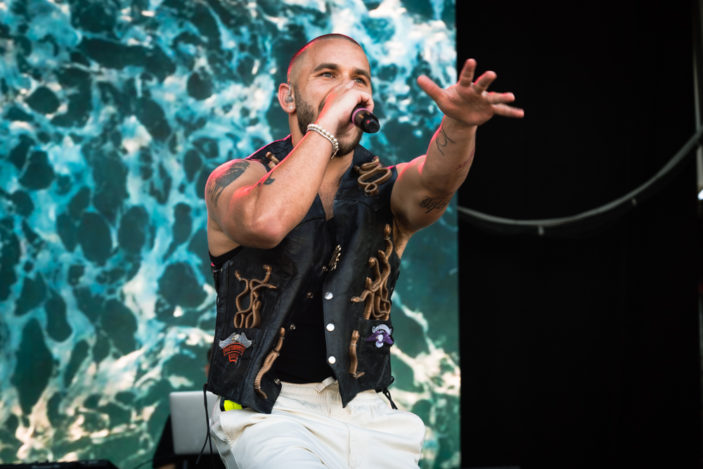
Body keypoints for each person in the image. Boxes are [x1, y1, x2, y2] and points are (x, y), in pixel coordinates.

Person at [203, 33, 523, 468]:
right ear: (288, 97)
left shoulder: (386, 187)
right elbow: (266, 222)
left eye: (359, 79)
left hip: (370, 413)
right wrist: (326, 127)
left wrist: (460, 125)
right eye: (327, 75)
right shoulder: (238, 178)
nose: (347, 88)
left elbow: (435, 181)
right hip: (270, 414)